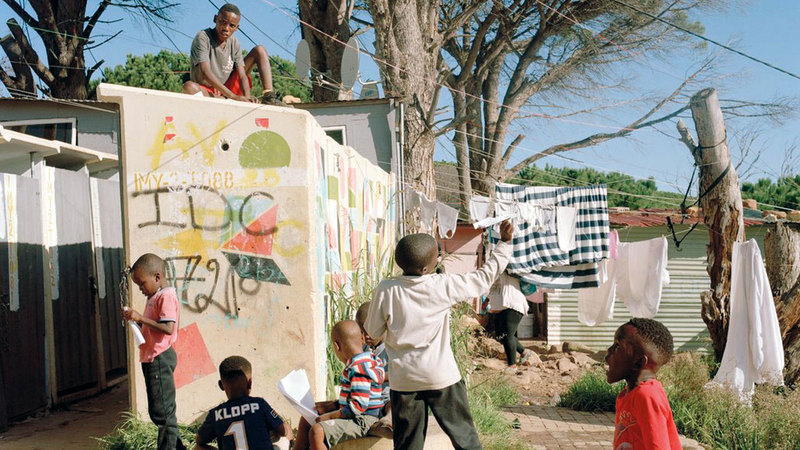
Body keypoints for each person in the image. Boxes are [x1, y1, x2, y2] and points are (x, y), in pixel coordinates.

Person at [365, 220, 515, 450]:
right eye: (437, 256)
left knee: (407, 444)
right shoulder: (443, 285)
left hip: (404, 380)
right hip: (441, 376)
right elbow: (483, 277)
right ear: (427, 268)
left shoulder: (387, 288)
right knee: (465, 439)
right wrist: (504, 244)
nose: (439, 259)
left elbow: (373, 331)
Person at [121, 253, 185, 450]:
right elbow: (153, 328)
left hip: (160, 358)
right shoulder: (154, 296)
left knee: (164, 415)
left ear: (157, 277)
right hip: (152, 358)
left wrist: (140, 318)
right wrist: (136, 322)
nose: (140, 289)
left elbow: (167, 328)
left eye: (142, 284)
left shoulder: (166, 296)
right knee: (158, 412)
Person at [293, 320, 386, 450]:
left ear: (337, 346)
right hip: (357, 416)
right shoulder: (367, 362)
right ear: (362, 339)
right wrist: (331, 406)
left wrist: (330, 416)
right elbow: (356, 397)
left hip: (363, 421)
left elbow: (359, 406)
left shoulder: (358, 368)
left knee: (317, 431)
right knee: (306, 420)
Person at [606, 318, 681, 449]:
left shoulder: (646, 396)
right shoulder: (629, 393)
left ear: (639, 363)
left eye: (617, 346)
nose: (609, 351)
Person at [183, 3, 278, 104]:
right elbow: (205, 72)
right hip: (210, 91)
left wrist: (247, 98)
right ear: (215, 19)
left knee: (260, 50)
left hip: (229, 91)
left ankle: (269, 97)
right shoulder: (203, 37)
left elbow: (242, 75)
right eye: (223, 22)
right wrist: (233, 96)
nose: (226, 28)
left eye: (231, 25)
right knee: (189, 87)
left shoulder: (234, 42)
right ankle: (221, 100)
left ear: (237, 27)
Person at [195, 356, 293, 450]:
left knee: (198, 448)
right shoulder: (259, 404)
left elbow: (199, 441)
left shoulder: (215, 414)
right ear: (250, 383)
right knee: (287, 429)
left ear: (221, 385)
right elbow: (283, 431)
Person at [355, 302, 392, 439]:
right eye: (362, 331)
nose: (366, 335)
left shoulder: (391, 349)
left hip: (387, 397)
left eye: (370, 329)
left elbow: (400, 374)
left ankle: (387, 422)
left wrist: (378, 376)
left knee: (394, 403)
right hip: (369, 398)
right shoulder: (364, 350)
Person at [486, 273, 534, 368]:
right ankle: (524, 352)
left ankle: (512, 366)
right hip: (498, 307)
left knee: (507, 336)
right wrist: (487, 300)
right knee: (500, 336)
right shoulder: (494, 269)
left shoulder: (510, 267)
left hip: (512, 304)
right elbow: (495, 286)